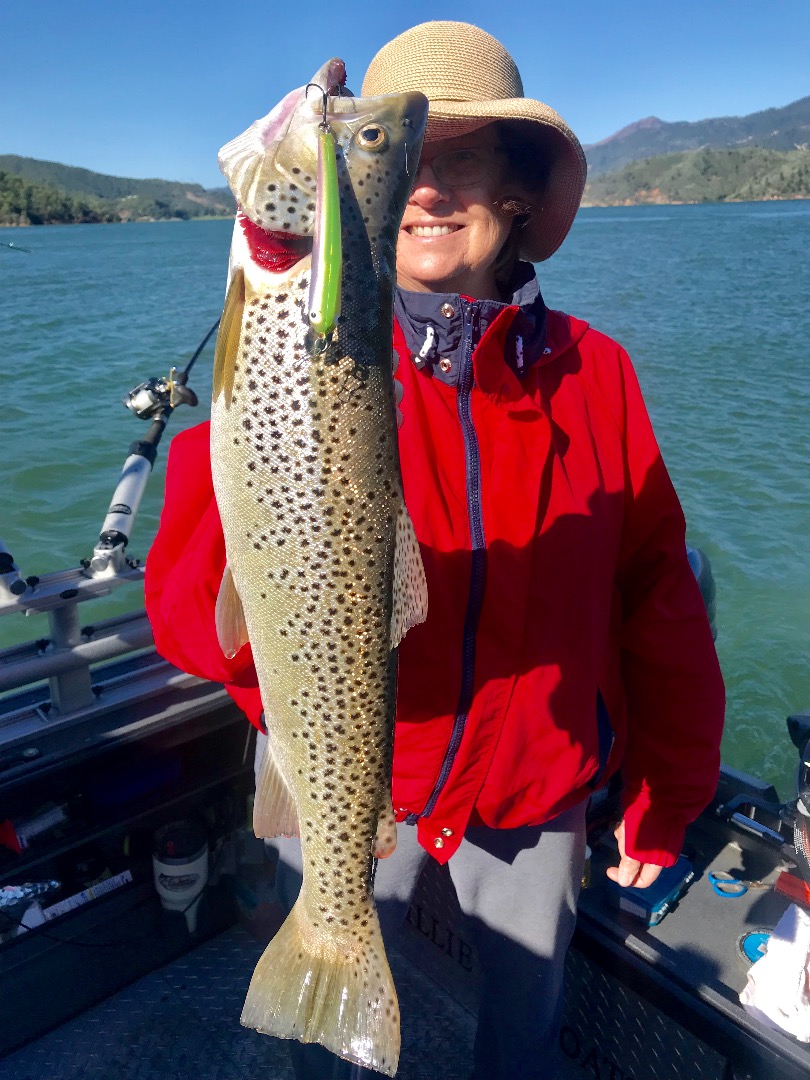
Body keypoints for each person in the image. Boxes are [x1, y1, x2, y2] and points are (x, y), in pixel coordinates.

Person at [145, 20, 725, 1080]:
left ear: (518, 194)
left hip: (535, 797)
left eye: (460, 158)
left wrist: (670, 796)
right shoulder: (305, 342)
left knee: (522, 1041)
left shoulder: (599, 377)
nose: (423, 186)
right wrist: (256, 431)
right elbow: (190, 621)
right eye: (405, 159)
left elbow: (661, 606)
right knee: (332, 1053)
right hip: (349, 778)